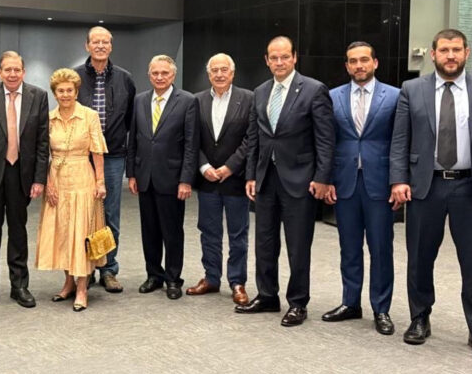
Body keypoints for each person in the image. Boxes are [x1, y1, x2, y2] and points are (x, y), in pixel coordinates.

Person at [390, 28, 472, 361]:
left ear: (467, 52)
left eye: (456, 50)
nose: (450, 56)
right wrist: (398, 180)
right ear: (433, 54)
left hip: (470, 188)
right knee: (419, 257)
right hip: (424, 187)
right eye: (444, 50)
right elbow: (400, 140)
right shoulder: (411, 90)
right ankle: (419, 317)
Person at [238, 36, 334, 327]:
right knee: (265, 242)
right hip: (267, 179)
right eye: (273, 58)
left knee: (297, 245)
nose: (279, 62)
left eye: (284, 57)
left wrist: (321, 177)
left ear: (295, 58)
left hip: (301, 180)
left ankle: (297, 302)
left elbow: (325, 139)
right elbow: (255, 138)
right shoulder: (260, 91)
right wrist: (251, 175)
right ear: (266, 60)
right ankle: (267, 295)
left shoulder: (314, 90)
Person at [322, 42, 399, 335]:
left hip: (379, 184)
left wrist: (398, 180)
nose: (359, 65)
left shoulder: (394, 96)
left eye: (364, 60)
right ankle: (350, 302)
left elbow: (400, 141)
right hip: (345, 184)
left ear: (375, 63)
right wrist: (327, 178)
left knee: (381, 248)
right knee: (349, 248)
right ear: (346, 66)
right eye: (353, 61)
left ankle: (381, 308)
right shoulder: (332, 97)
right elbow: (328, 141)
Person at [0, 51, 49, 309]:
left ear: (24, 72)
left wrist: (39, 179)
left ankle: (20, 286)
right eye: (7, 70)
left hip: (21, 174)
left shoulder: (39, 96)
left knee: (18, 232)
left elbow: (42, 142)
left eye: (17, 70)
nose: (12, 74)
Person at [126, 54, 197, 300]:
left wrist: (186, 179)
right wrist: (131, 173)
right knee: (150, 230)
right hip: (144, 177)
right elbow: (133, 138)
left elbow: (191, 144)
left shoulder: (187, 101)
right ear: (149, 75)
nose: (159, 77)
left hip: (173, 179)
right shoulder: (139, 100)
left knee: (172, 231)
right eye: (155, 73)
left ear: (173, 75)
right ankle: (154, 275)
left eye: (164, 73)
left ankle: (173, 278)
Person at [37, 69, 109, 312]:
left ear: (77, 92)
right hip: (57, 178)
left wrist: (100, 182)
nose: (65, 94)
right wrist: (49, 183)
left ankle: (82, 287)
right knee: (63, 232)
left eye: (70, 90)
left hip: (82, 178)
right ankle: (68, 282)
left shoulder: (89, 116)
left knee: (82, 233)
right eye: (61, 91)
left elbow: (97, 152)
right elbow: (43, 155)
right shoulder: (48, 118)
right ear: (55, 93)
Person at [74, 26, 135, 293]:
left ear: (111, 46)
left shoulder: (125, 79)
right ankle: (82, 270)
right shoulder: (75, 77)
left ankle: (108, 269)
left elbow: (132, 121)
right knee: (81, 213)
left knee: (110, 214)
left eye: (105, 42)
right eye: (95, 42)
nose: (100, 46)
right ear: (87, 46)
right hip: (80, 157)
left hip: (112, 156)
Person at [188, 53, 252, 306]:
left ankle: (237, 282)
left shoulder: (248, 98)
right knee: (209, 231)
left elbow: (251, 138)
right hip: (207, 180)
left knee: (238, 234)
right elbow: (193, 139)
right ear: (208, 74)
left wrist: (230, 167)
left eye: (224, 69)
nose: (219, 74)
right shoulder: (197, 100)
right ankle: (211, 277)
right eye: (214, 70)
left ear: (232, 73)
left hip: (235, 179)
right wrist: (203, 166)